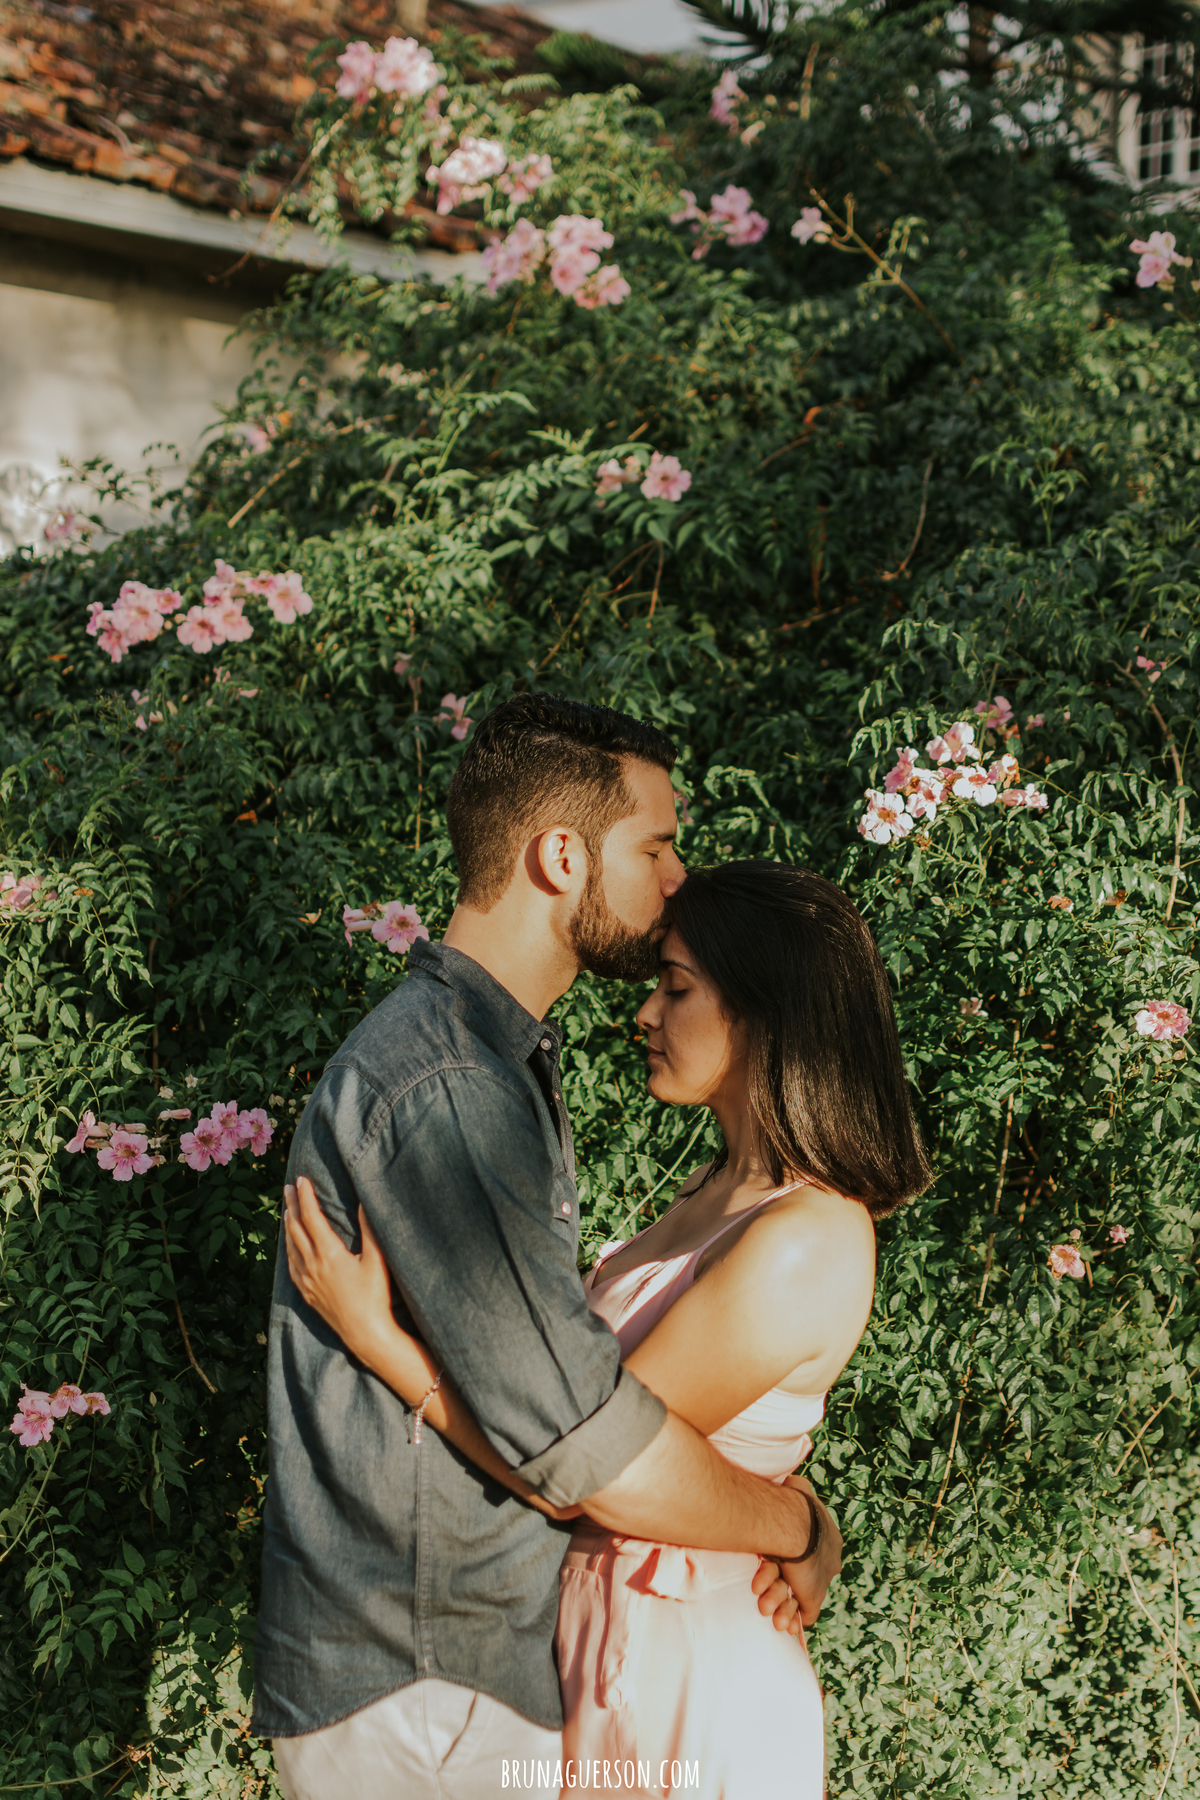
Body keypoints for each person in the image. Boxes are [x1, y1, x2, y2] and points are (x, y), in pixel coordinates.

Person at [253, 696, 843, 1800]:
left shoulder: (480, 1065)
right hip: (425, 1680)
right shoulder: (455, 1089)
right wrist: (799, 1521)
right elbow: (586, 1450)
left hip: (447, 1669)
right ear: (561, 856)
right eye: (656, 845)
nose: (677, 878)